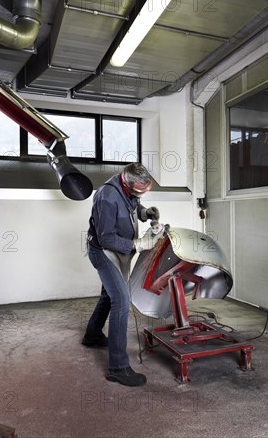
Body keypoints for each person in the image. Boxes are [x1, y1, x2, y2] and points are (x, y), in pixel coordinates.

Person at [83, 162, 164, 387]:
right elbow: (106, 238)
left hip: (119, 250)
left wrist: (145, 212)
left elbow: (132, 207)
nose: (140, 195)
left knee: (109, 295)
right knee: (121, 299)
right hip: (104, 252)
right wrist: (139, 244)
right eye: (138, 192)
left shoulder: (127, 185)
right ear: (126, 183)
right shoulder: (106, 197)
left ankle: (92, 335)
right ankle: (117, 367)